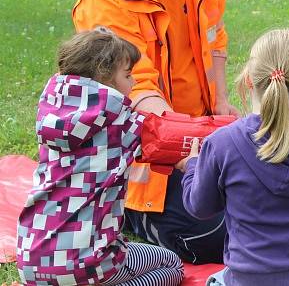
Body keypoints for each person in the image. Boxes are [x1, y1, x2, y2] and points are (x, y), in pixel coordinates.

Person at [72, 0, 235, 263]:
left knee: (278, 204)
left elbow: (215, 41)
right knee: (217, 236)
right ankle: (134, 216)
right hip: (147, 155)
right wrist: (189, 151)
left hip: (202, 136)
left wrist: (224, 110)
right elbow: (136, 92)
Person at [16, 28, 184, 286]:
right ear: (105, 78)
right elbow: (171, 140)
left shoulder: (52, 116)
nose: (134, 84)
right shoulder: (122, 125)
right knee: (170, 265)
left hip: (32, 262)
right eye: (128, 76)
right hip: (87, 265)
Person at [180, 29, 289, 286]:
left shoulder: (222, 143)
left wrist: (192, 166)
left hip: (253, 277)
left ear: (248, 79)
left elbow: (199, 207)